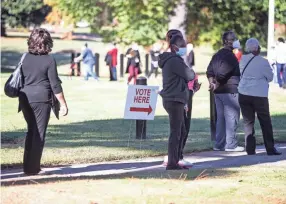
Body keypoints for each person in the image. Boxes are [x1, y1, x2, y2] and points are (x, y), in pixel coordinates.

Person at [19, 28, 68, 175]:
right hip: (41, 99)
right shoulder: (49, 59)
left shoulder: (24, 57)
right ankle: (34, 169)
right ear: (47, 42)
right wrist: (64, 104)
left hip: (25, 98)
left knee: (31, 131)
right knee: (39, 134)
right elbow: (55, 85)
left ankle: (27, 167)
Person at [238, 38, 282, 156]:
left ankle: (250, 149)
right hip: (259, 95)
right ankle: (270, 149)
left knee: (248, 122)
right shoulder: (263, 62)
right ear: (257, 48)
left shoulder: (242, 59)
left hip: (243, 93)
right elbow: (270, 77)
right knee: (265, 122)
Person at [159, 30, 195, 170]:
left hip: (175, 97)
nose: (184, 48)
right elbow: (190, 74)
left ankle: (175, 159)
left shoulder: (173, 60)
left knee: (181, 130)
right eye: (182, 46)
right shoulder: (174, 61)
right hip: (174, 99)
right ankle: (172, 163)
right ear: (174, 47)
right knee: (176, 132)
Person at [206, 30, 244, 152]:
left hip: (218, 93)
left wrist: (212, 83)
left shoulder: (216, 55)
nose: (237, 40)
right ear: (228, 41)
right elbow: (223, 74)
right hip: (230, 91)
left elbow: (209, 71)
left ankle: (219, 144)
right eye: (234, 38)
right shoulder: (231, 57)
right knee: (232, 117)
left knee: (221, 119)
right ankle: (231, 144)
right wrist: (216, 84)